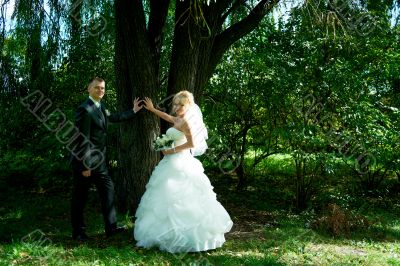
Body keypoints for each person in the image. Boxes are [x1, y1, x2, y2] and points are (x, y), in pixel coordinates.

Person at [134, 90, 233, 253]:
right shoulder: (178, 119)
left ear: (188, 106)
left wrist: (170, 150)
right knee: (166, 196)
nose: (178, 107)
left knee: (181, 198)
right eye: (176, 104)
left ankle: (188, 237)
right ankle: (164, 234)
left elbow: (191, 144)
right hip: (170, 162)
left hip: (181, 161)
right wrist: (152, 109)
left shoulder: (187, 121)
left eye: (181, 104)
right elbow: (167, 117)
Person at [70, 77, 142, 241]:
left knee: (108, 191)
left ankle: (111, 228)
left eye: (102, 88)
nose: (100, 91)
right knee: (80, 197)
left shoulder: (100, 107)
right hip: (85, 163)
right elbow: (82, 139)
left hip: (100, 162)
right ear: (89, 89)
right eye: (97, 88)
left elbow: (114, 117)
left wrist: (133, 111)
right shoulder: (85, 109)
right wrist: (85, 165)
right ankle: (78, 233)